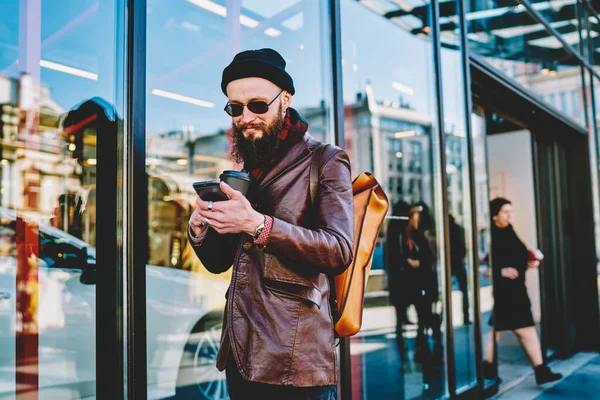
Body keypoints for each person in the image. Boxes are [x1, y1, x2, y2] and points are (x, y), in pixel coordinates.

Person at [187, 48, 354, 399]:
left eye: (258, 105)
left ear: (285, 100)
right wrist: (202, 228)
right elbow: (220, 262)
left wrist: (259, 225)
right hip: (240, 355)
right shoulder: (246, 170)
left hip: (295, 360)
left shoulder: (325, 159)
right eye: (235, 108)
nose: (246, 117)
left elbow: (339, 249)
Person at [483, 198, 562, 385]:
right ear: (494, 216)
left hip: (516, 288)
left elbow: (514, 259)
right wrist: (499, 271)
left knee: (498, 329)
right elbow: (488, 266)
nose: (509, 215)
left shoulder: (509, 231)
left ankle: (487, 367)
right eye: (505, 212)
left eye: (510, 211)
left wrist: (528, 264)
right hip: (508, 292)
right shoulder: (493, 237)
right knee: (525, 330)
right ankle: (540, 370)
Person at [448, 213, 470, 325]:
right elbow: (463, 247)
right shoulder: (459, 229)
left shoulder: (445, 230)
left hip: (450, 262)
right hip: (458, 262)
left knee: (446, 291)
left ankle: (444, 316)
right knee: (464, 290)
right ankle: (466, 316)